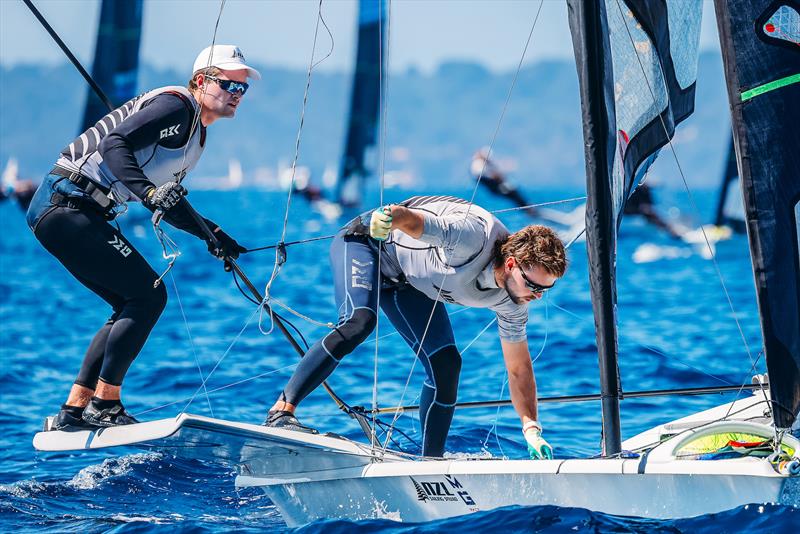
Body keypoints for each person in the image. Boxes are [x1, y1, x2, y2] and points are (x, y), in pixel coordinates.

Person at [27, 45, 259, 430]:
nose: (236, 94)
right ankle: (106, 405)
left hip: (69, 210)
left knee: (130, 301)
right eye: (228, 84)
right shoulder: (176, 107)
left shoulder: (194, 132)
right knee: (148, 295)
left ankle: (76, 409)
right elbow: (113, 145)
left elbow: (165, 196)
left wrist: (212, 234)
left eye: (242, 88)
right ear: (201, 81)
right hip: (66, 203)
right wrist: (150, 195)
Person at [265, 195, 568, 459]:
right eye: (533, 285)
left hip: (406, 282)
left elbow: (518, 367)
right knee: (360, 322)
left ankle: (431, 464)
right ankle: (281, 411)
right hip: (366, 242)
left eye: (545, 290)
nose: (537, 295)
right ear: (513, 264)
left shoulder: (514, 301)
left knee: (447, 364)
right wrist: (388, 218)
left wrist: (531, 429)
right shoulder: (472, 237)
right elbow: (411, 219)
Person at [471, 147, 538, 218]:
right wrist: (496, 176)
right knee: (513, 192)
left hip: (496, 187)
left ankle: (528, 209)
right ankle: (528, 209)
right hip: (495, 188)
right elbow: (481, 174)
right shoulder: (478, 163)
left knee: (513, 192)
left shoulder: (486, 163)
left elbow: (495, 172)